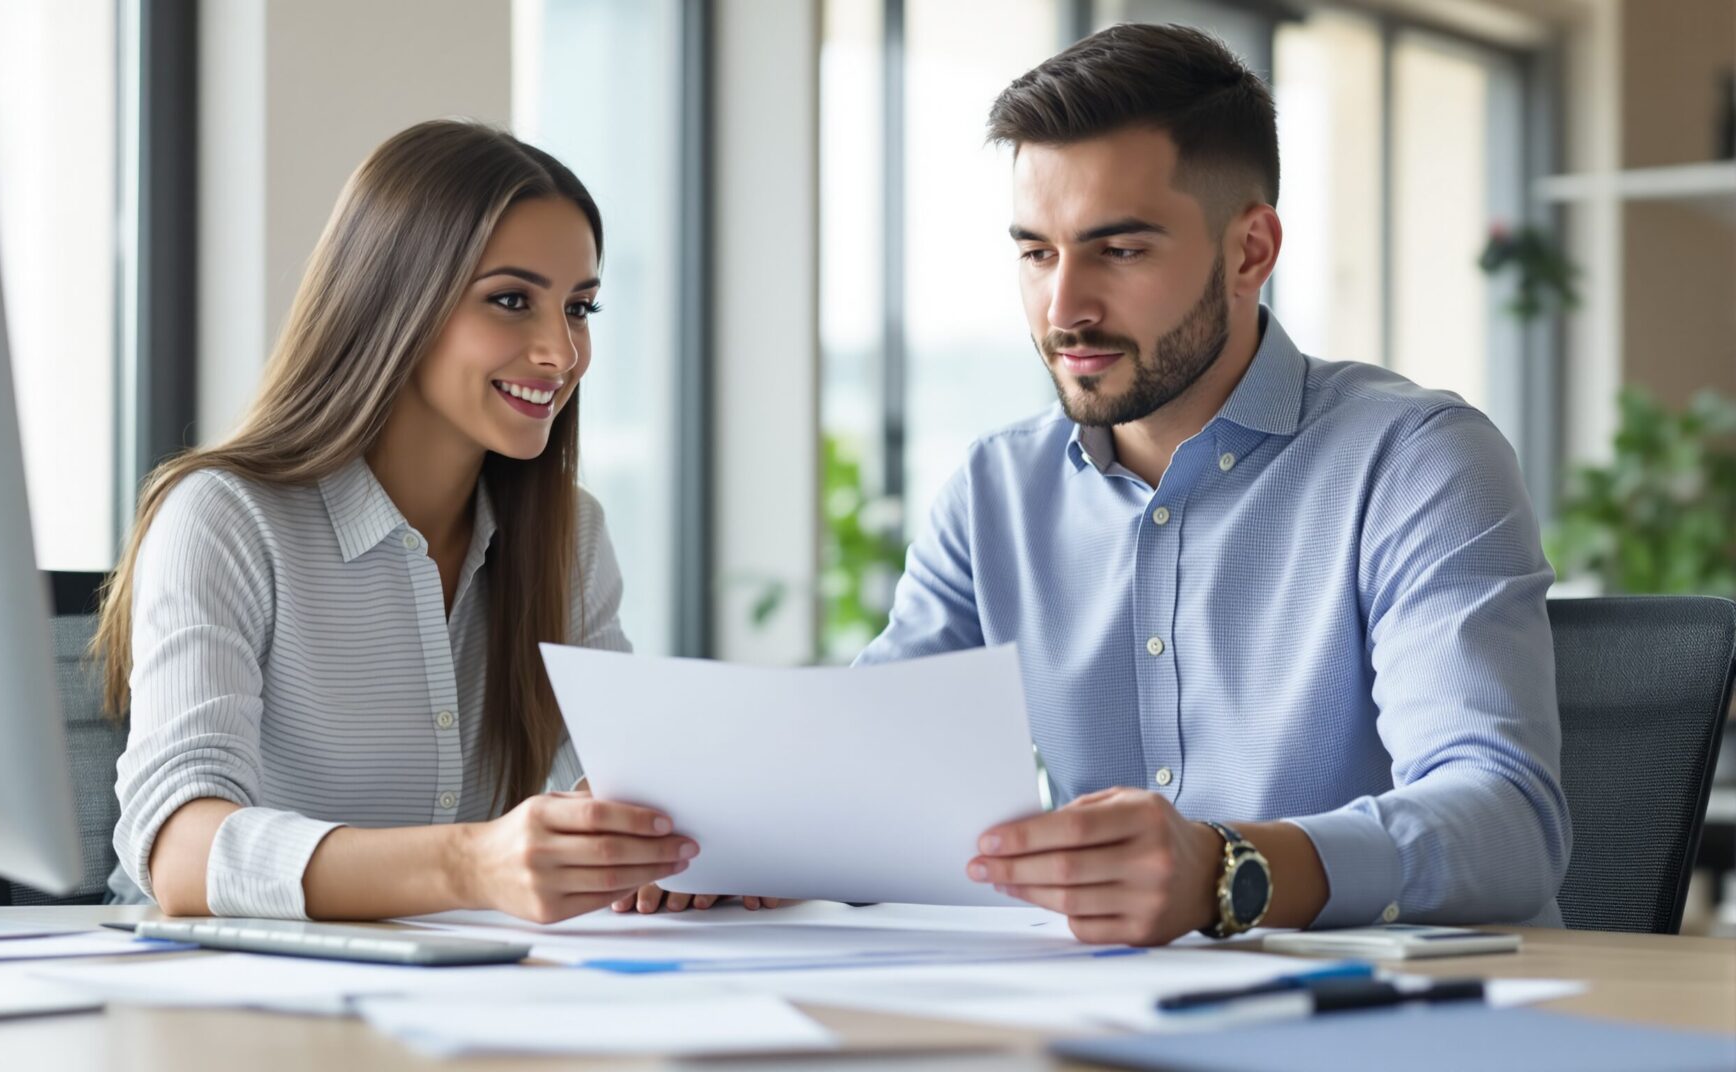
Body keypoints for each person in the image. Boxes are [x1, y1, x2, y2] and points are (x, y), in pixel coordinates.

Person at [857, 23, 1570, 946]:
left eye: (1118, 251)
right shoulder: (998, 488)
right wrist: (693, 839)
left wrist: (1229, 871)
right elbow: (866, 766)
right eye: (1037, 252)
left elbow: (1507, 823)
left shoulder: (1417, 459)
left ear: (1250, 252)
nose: (1063, 307)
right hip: (1099, 1008)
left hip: (1401, 1015)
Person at [99, 120, 768, 921]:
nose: (561, 351)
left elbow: (613, 776)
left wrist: (661, 843)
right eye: (512, 301)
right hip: (214, 1007)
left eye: (580, 308)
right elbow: (180, 852)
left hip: (466, 1000)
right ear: (395, 300)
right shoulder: (224, 518)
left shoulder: (568, 537)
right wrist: (472, 862)